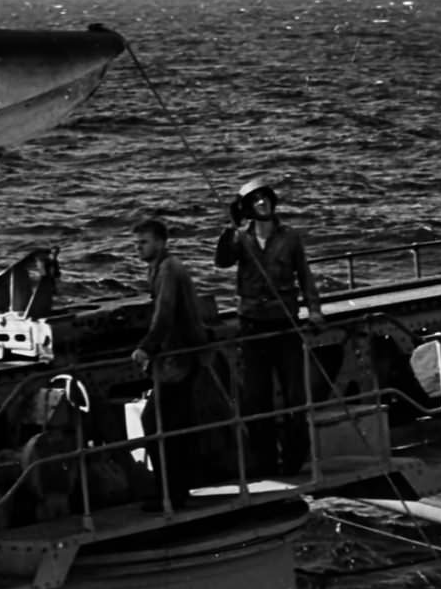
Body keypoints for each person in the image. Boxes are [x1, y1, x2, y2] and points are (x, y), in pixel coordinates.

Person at [214, 176, 326, 475]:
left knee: (295, 396)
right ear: (247, 208)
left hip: (285, 324)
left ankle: (293, 459)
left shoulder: (290, 238)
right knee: (255, 399)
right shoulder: (240, 238)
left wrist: (314, 310)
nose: (262, 203)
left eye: (265, 198)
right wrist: (229, 227)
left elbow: (305, 276)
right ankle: (263, 461)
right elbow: (222, 262)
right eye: (255, 200)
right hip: (251, 326)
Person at [130, 217, 211, 509]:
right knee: (172, 424)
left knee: (156, 423)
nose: (139, 248)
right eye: (136, 243)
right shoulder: (160, 269)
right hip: (176, 358)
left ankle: (171, 493)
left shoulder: (168, 270)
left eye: (145, 242)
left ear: (162, 242)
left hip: (179, 359)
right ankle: (174, 490)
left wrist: (145, 349)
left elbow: (165, 316)